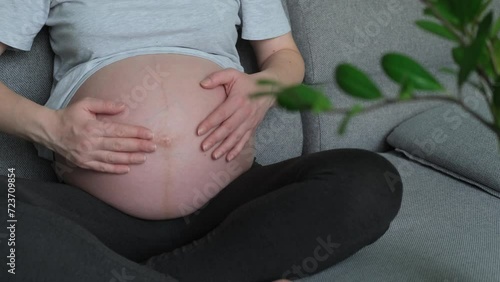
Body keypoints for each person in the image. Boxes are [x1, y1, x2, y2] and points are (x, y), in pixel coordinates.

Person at [0, 1, 403, 281]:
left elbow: (284, 55)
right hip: (95, 216)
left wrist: (263, 87)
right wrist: (50, 128)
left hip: (233, 204)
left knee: (369, 180)